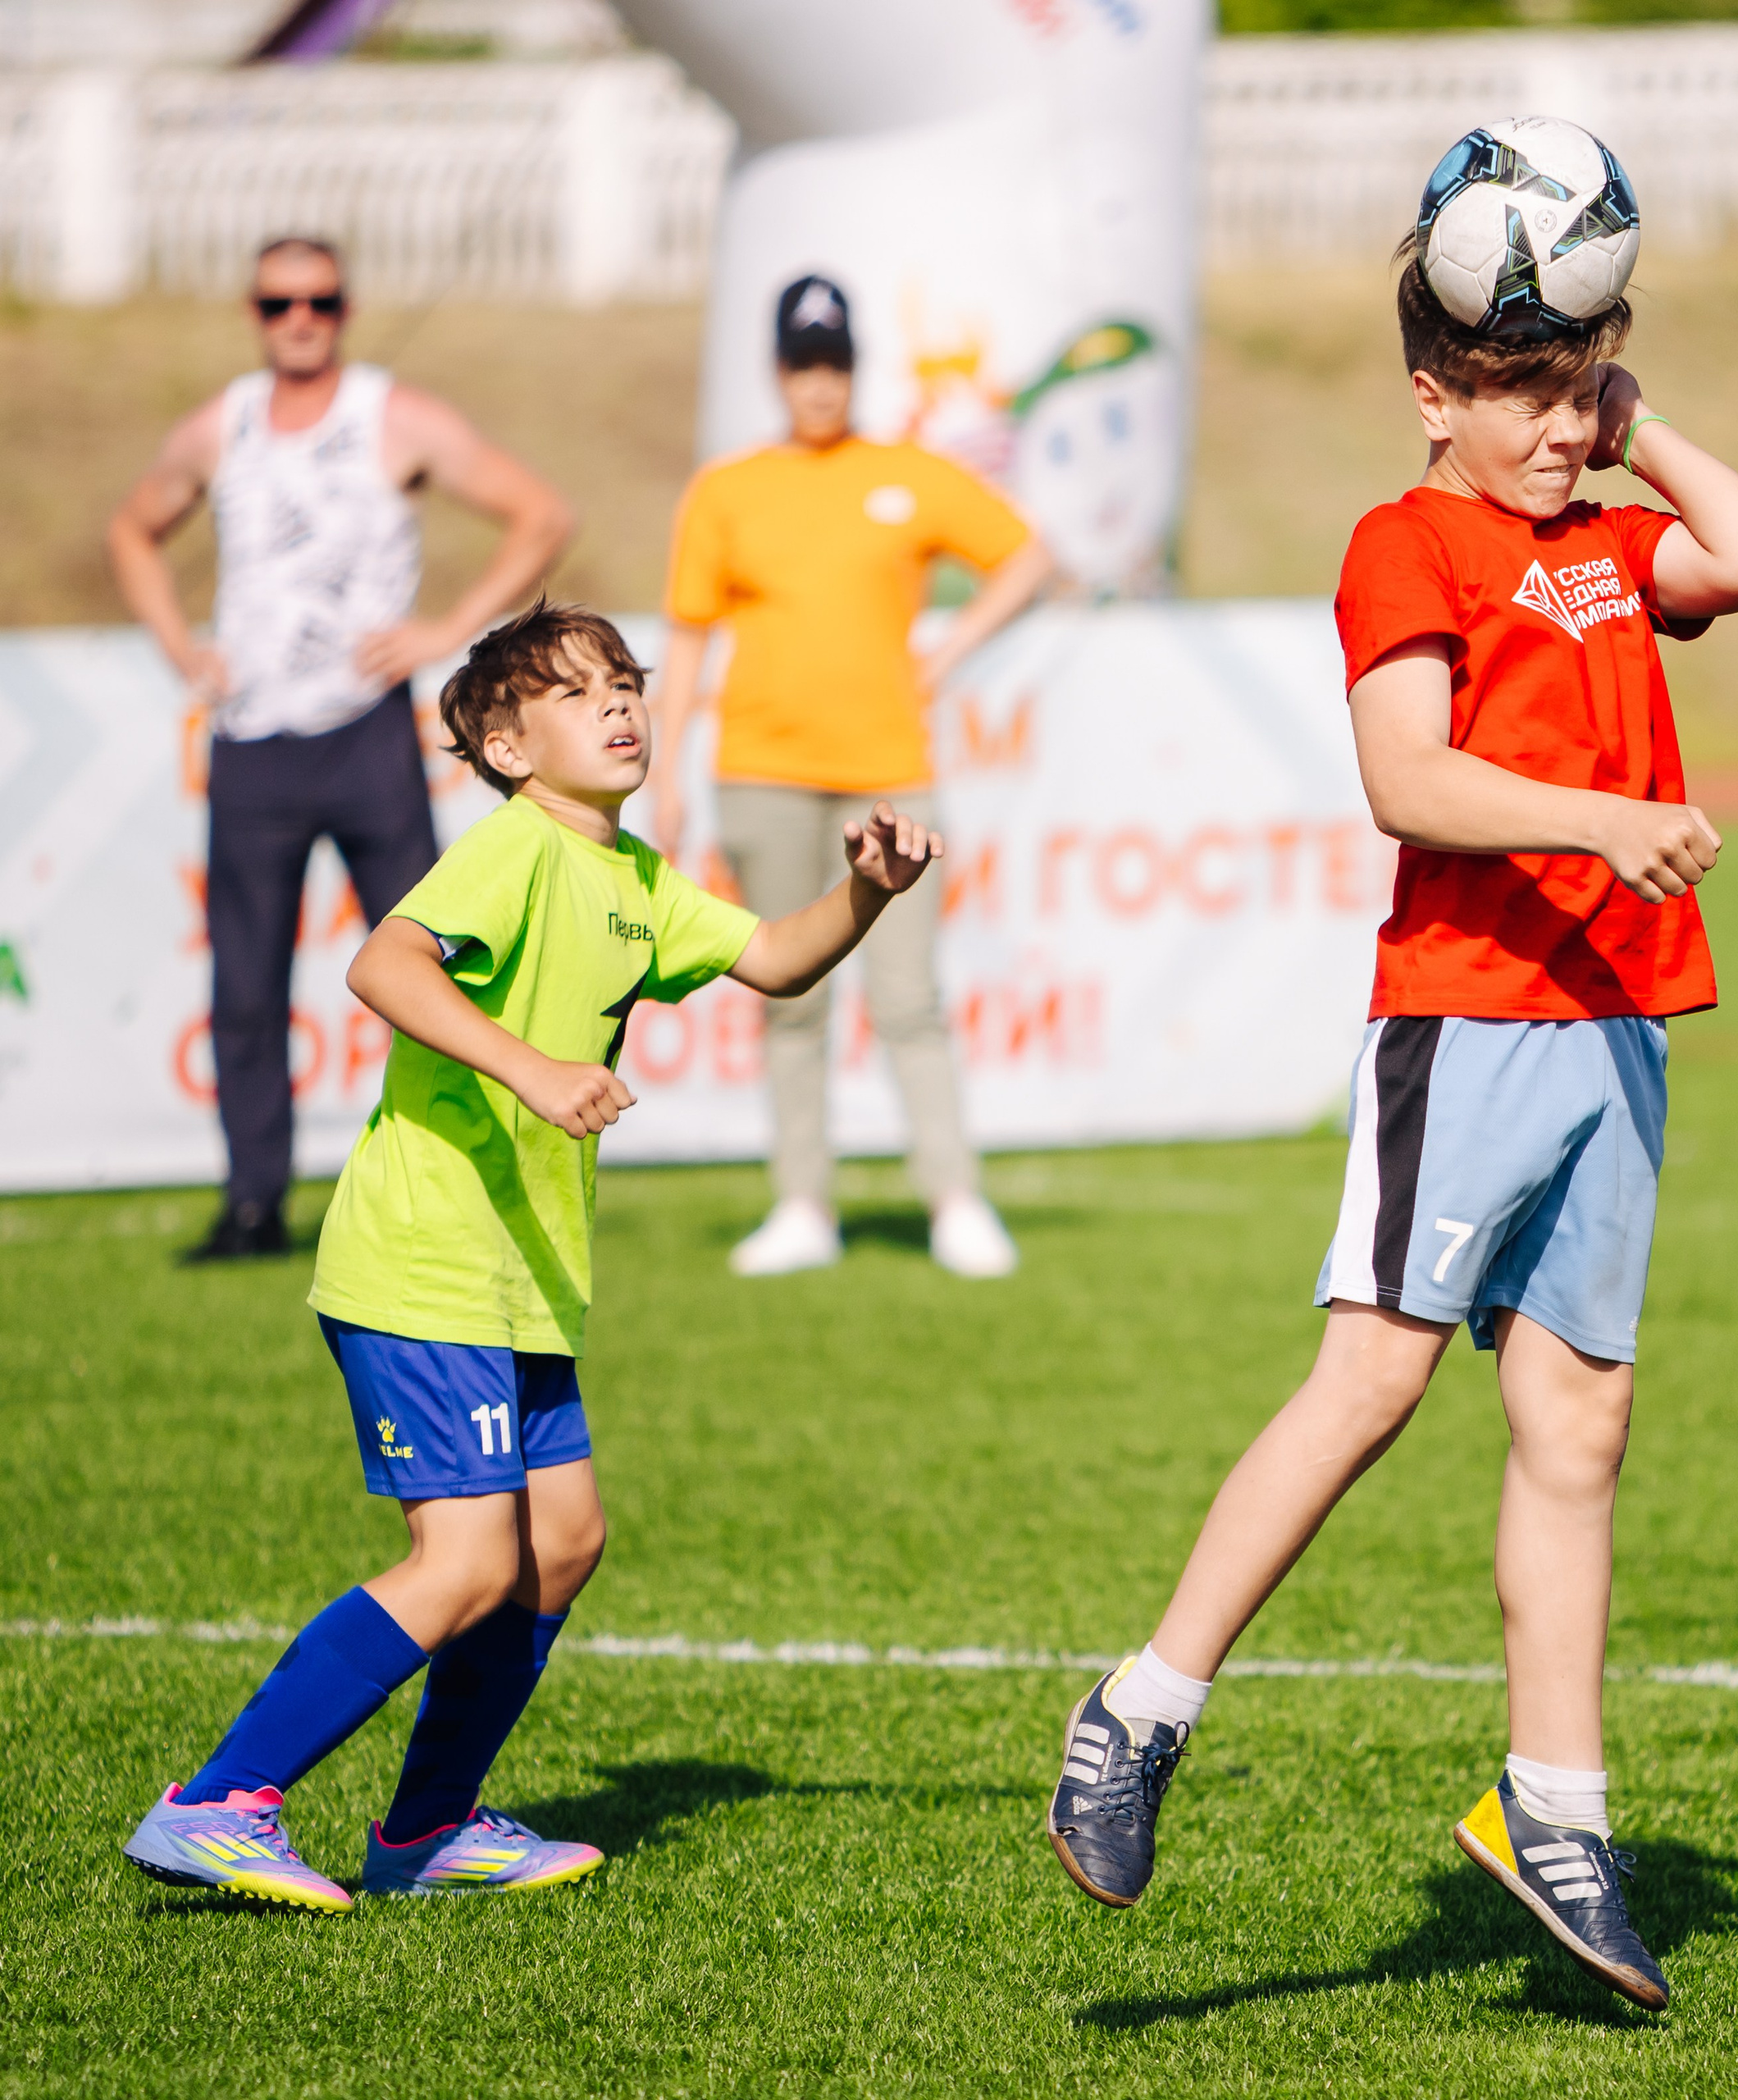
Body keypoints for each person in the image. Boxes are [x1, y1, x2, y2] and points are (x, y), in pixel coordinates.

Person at [1041, 230, 1738, 2011]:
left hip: (1619, 1021)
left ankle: (1553, 1810)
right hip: (1462, 1021)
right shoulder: (1406, 540)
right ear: (1429, 398)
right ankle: (1136, 1712)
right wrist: (1597, 823)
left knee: (1579, 1421)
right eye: (1520, 395)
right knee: (1370, 1380)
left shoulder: (1612, 542)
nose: (1553, 428)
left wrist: (1639, 420)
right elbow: (1407, 774)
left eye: (1572, 389)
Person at [121, 601, 942, 1910]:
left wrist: (866, 893)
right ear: (508, 748)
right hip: (427, 1258)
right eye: (574, 694)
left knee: (560, 1544)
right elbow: (383, 964)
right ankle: (219, 1801)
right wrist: (534, 1069)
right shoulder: (516, 852)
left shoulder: (633, 878)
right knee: (468, 1563)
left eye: (626, 683)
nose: (618, 706)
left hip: (522, 1278)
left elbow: (779, 960)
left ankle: (424, 1833)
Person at [107, 234, 574, 1262]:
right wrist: (182, 646)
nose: (300, 317)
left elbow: (540, 515)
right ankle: (252, 1202)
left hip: (366, 735)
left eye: (318, 298)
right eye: (279, 302)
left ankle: (463, 1175)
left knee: (433, 969)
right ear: (255, 311)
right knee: (245, 982)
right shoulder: (221, 425)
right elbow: (132, 530)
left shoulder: (391, 416)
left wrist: (446, 629)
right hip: (253, 742)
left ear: (345, 307)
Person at [652, 275, 1056, 1280]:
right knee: (788, 995)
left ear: (854, 369)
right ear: (776, 370)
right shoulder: (729, 488)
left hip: (887, 774)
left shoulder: (907, 474)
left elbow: (1024, 555)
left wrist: (951, 645)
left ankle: (953, 1196)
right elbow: (691, 636)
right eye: (802, 364)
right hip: (762, 769)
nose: (818, 384)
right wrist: (663, 769)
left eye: (832, 364)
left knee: (909, 994)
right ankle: (802, 1203)